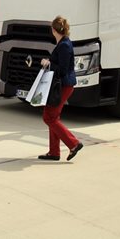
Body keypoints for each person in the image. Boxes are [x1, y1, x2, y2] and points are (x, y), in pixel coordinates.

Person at [37, 16, 83, 162]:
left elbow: (62, 69)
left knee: (48, 116)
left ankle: (73, 143)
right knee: (53, 117)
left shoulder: (64, 45)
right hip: (64, 85)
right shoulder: (64, 43)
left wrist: (48, 63)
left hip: (64, 85)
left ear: (53, 30)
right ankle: (54, 152)